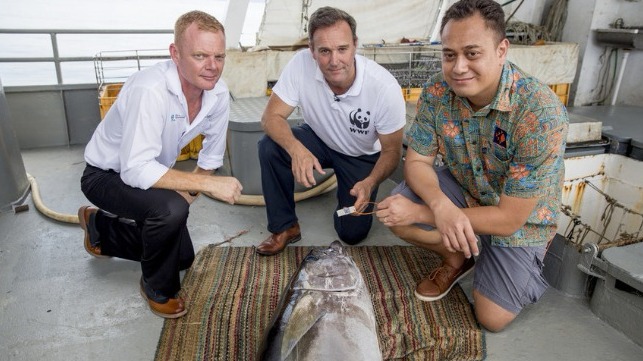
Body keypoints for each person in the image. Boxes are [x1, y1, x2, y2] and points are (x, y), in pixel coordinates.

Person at [376, 0, 568, 332]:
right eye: (450, 54)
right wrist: (439, 205)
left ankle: (495, 253)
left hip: (519, 218)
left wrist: (426, 214)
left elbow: (509, 219)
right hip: (466, 189)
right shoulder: (438, 90)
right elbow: (418, 160)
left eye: (472, 53)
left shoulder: (539, 112)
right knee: (396, 206)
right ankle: (459, 257)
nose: (459, 67)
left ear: (501, 50)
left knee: (492, 319)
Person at [79, 10, 242, 319]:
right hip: (105, 176)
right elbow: (135, 169)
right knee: (169, 211)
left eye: (219, 56)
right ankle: (156, 287)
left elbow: (209, 158)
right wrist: (203, 186)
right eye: (200, 55)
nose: (212, 67)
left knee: (183, 257)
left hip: (149, 173)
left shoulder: (218, 94)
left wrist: (189, 192)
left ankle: (100, 229)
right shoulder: (150, 89)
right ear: (175, 54)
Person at [256, 6, 406, 255]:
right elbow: (270, 117)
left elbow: (391, 152)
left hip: (361, 155)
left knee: (352, 234)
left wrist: (369, 183)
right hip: (320, 138)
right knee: (270, 146)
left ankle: (347, 198)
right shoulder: (300, 64)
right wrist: (296, 149)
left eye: (342, 49)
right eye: (324, 51)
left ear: (355, 45)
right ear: (311, 51)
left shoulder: (384, 88)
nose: (334, 61)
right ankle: (285, 226)